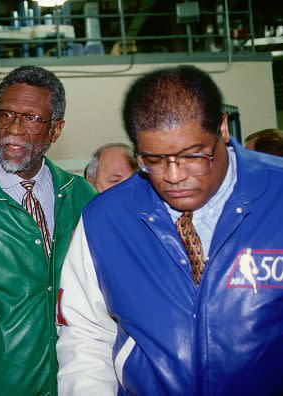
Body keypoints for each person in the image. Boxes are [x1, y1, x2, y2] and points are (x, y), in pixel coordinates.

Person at [56, 65, 283, 395]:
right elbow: (86, 336)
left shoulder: (277, 195)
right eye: (155, 160)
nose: (174, 176)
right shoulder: (104, 221)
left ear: (221, 128)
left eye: (192, 156)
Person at [0, 65, 97, 395]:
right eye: (6, 114)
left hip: (75, 381)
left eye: (31, 118)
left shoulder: (82, 196)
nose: (13, 128)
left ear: (55, 131)